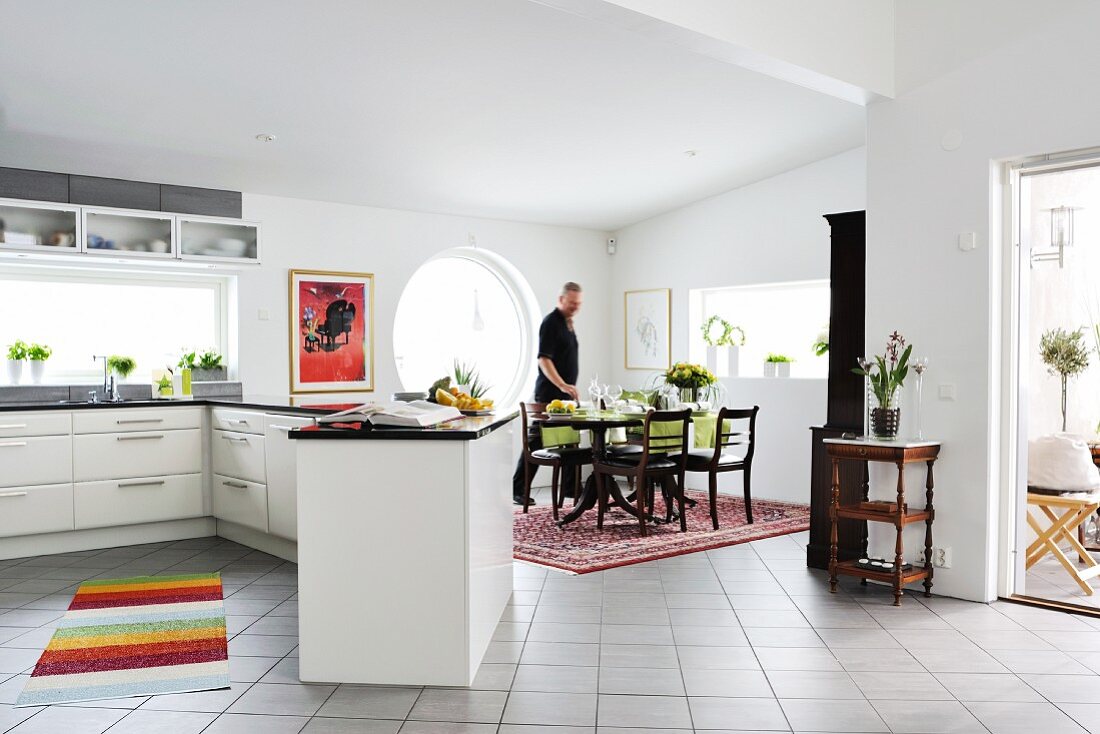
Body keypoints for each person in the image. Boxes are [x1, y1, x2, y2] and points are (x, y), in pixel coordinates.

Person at [513, 282, 583, 506]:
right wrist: (562, 384)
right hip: (548, 395)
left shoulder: (567, 323)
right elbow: (544, 359)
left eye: (578, 304)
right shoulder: (551, 323)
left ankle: (572, 489)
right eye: (572, 303)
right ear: (561, 300)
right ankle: (518, 489)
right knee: (535, 442)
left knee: (571, 440)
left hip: (564, 396)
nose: (575, 307)